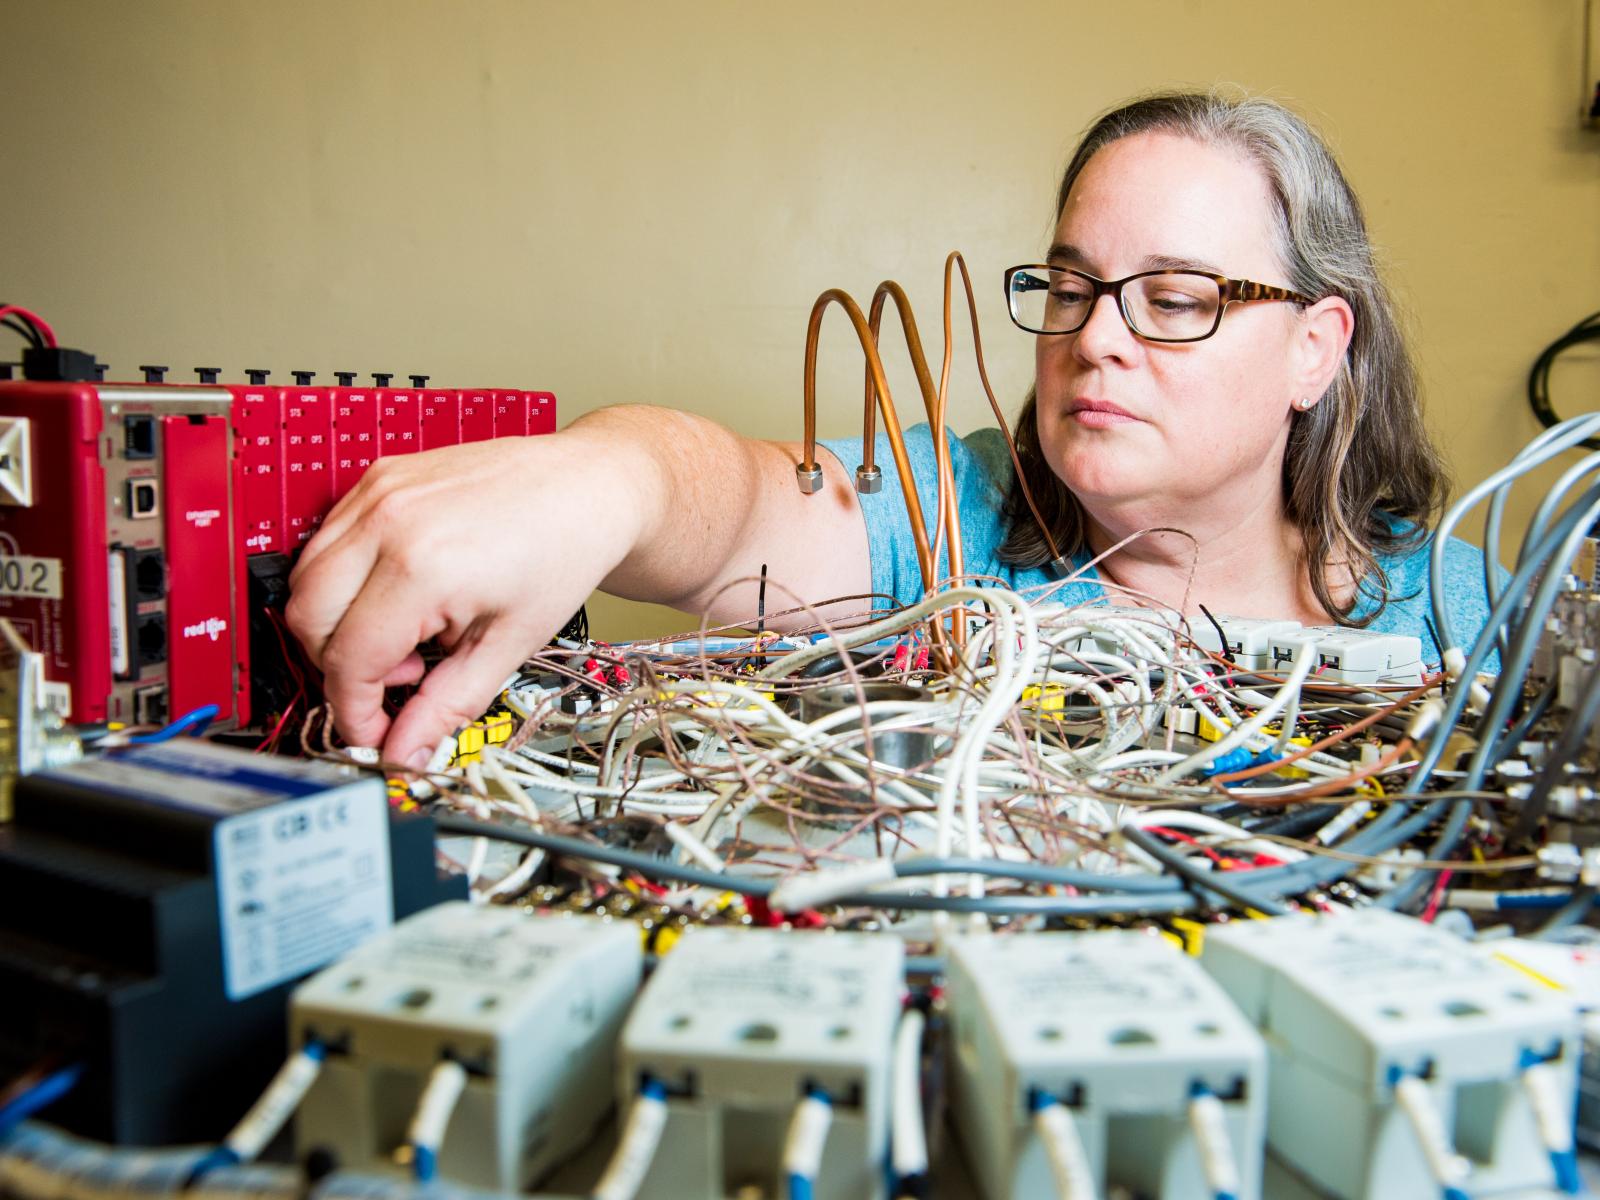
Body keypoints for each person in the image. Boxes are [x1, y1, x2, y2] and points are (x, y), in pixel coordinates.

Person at [285, 89, 1495, 771]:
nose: (1096, 338)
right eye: (1070, 288)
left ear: (1313, 349)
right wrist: (608, 477)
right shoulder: (950, 523)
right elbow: (730, 506)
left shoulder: (1471, 619)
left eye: (1173, 299)